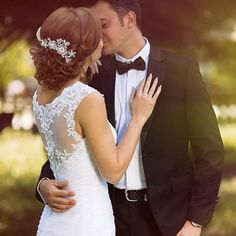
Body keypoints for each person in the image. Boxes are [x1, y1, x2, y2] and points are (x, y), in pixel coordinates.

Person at [35, 1, 224, 236]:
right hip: (107, 215)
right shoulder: (90, 75)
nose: (96, 36)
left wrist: (195, 221)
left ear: (129, 20)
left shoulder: (181, 71)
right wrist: (43, 183)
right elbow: (70, 144)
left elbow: (210, 151)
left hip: (167, 219)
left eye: (103, 24)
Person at [31, 6, 161, 236]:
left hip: (54, 222)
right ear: (84, 48)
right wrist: (138, 118)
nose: (102, 42)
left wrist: (81, 67)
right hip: (86, 221)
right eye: (96, 37)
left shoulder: (41, 93)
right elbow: (113, 172)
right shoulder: (87, 99)